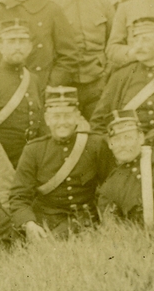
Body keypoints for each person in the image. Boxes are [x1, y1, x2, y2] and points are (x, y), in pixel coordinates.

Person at [9, 87, 115, 240]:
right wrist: (29, 223)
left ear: (78, 117)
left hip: (87, 220)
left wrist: (107, 221)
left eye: (67, 116)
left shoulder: (95, 145)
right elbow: (18, 197)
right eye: (56, 116)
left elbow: (110, 187)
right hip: (46, 222)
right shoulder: (33, 150)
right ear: (47, 119)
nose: (62, 122)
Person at [0, 19, 48, 165]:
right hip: (1, 160)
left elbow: (41, 125)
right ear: (1, 46)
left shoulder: (34, 79)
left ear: (30, 47)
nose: (17, 47)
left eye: (22, 42)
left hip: (31, 159)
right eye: (11, 42)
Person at [51, 0, 115, 119]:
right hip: (66, 85)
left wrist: (106, 76)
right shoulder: (54, 6)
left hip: (97, 83)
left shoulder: (104, 5)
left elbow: (114, 44)